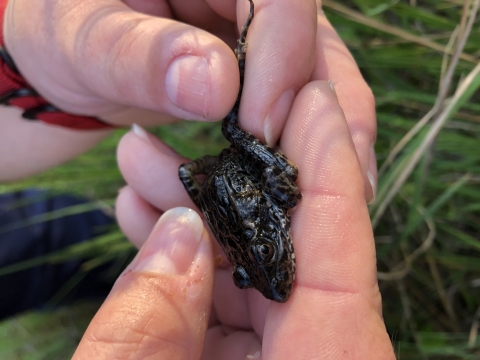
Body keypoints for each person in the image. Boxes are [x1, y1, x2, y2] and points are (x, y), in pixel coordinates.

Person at [0, 0, 394, 358]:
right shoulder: (262, 236)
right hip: (228, 181)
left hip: (227, 181)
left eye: (251, 271)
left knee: (58, 238)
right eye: (260, 262)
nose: (270, 284)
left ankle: (120, 258)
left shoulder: (254, 249)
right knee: (284, 184)